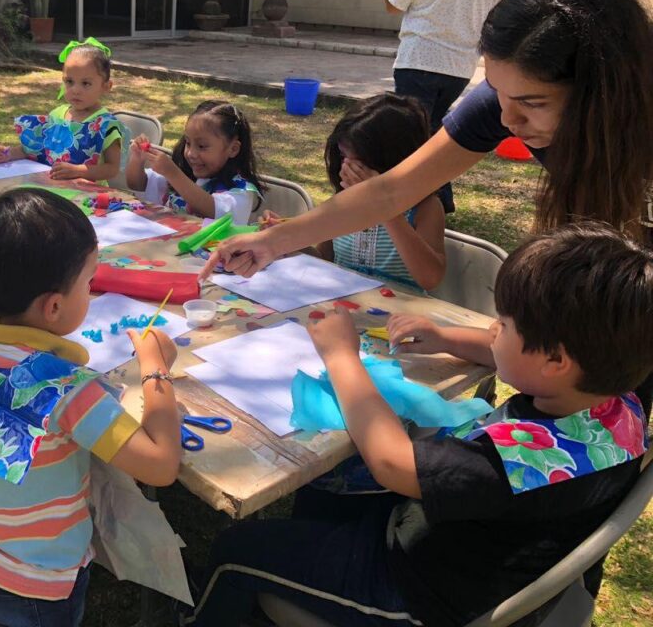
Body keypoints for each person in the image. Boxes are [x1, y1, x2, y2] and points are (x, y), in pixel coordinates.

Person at [188, 223, 651, 627]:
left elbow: (392, 463)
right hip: (466, 544)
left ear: (555, 360)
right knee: (323, 489)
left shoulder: (511, 463)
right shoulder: (617, 401)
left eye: (504, 325)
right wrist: (444, 337)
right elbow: (528, 358)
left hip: (416, 592)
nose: (492, 331)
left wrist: (341, 357)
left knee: (237, 549)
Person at [207, 0, 653, 300]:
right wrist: (271, 242)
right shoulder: (500, 106)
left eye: (533, 104)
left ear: (605, 93)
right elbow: (389, 192)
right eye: (497, 91)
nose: (507, 121)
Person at [0, 187, 182, 627]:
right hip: (37, 584)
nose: (91, 292)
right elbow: (160, 466)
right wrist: (156, 368)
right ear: (54, 306)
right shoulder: (67, 390)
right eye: (89, 284)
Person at [385, 0, 500, 213]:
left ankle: (415, 201)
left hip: (420, 59)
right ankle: (439, 199)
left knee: (411, 133)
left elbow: (393, 3)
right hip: (460, 66)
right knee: (433, 130)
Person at [272, 93, 445, 290]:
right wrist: (284, 239)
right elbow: (324, 258)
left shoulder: (425, 208)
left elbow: (430, 279)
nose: (346, 168)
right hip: (343, 301)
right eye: (342, 156)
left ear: (390, 160)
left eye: (359, 164)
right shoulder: (344, 203)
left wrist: (385, 207)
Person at [0, 39, 124, 183]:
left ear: (106, 86)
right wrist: (11, 153)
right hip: (53, 188)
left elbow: (112, 169)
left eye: (86, 83)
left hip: (87, 193)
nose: (75, 90)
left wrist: (78, 171)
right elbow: (38, 149)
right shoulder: (57, 115)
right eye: (69, 81)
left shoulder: (107, 125)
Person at [125, 101, 267, 224]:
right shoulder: (186, 172)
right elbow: (137, 184)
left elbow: (214, 210)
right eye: (188, 143)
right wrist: (137, 160)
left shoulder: (241, 191)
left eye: (202, 146)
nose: (191, 153)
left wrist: (173, 173)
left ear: (233, 149)